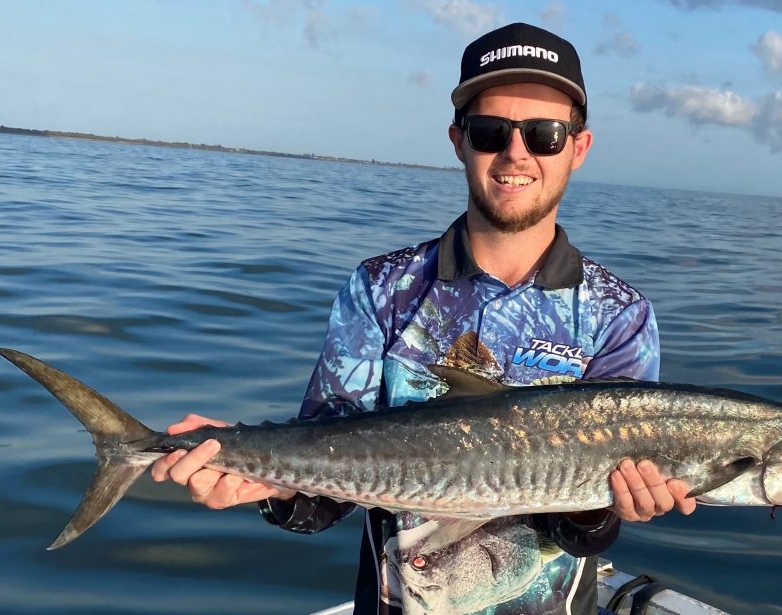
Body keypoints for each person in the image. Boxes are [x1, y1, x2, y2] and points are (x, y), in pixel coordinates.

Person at [151, 22, 695, 614]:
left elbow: (583, 533)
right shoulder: (382, 289)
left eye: (545, 134)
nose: (516, 154)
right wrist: (265, 480)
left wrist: (609, 504)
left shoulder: (619, 315)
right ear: (459, 140)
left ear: (578, 148)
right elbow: (323, 486)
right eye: (491, 131)